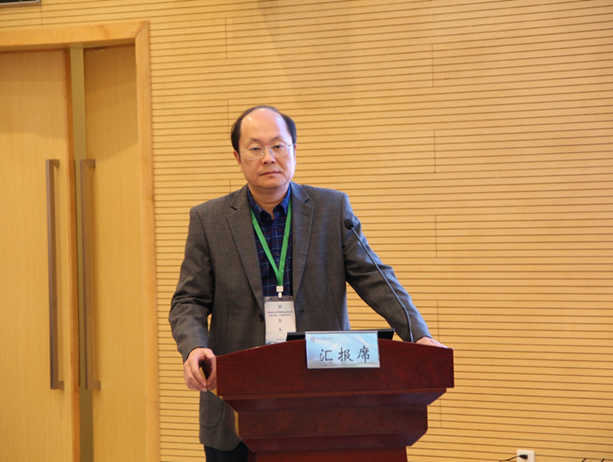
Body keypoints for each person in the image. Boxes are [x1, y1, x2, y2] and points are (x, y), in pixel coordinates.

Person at [169, 105, 446, 462]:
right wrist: (193, 347)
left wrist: (418, 335)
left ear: (295, 150)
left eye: (278, 146)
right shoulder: (209, 220)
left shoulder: (331, 208)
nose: (268, 157)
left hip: (321, 394)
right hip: (237, 395)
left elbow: (375, 277)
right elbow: (188, 300)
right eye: (255, 148)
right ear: (237, 157)